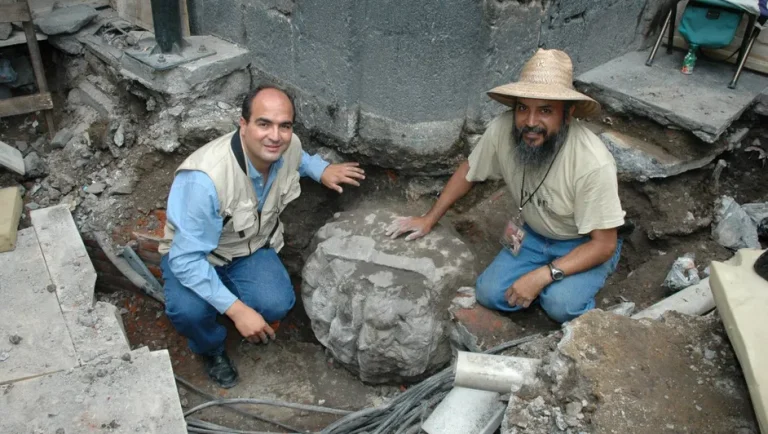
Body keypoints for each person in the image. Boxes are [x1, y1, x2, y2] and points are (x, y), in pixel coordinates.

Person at [386, 49, 625, 324]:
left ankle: (566, 290)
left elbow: (603, 244)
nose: (531, 122)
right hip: (534, 236)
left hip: (582, 242)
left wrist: (542, 275)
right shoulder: (503, 129)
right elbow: (469, 170)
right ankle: (544, 286)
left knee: (560, 306)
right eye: (523, 108)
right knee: (489, 293)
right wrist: (429, 219)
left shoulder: (592, 163)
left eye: (545, 110)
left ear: (567, 114)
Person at [157, 85, 365, 388]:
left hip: (248, 250)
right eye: (264, 123)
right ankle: (211, 348)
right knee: (188, 312)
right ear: (243, 125)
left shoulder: (286, 145)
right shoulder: (205, 181)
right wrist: (238, 311)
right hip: (198, 257)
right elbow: (185, 259)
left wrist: (322, 170)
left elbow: (298, 156)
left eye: (284, 125)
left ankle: (226, 301)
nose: (275, 135)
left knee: (278, 302)